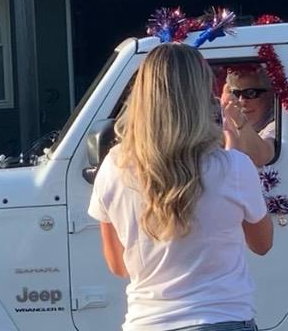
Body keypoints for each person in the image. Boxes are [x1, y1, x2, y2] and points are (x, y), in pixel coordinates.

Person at [91, 44, 273, 331]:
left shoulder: (114, 166)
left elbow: (118, 266)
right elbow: (262, 244)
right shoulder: (233, 167)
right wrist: (233, 145)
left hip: (147, 321)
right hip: (221, 317)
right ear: (202, 96)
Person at [220, 66, 278, 168]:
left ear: (269, 95)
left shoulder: (277, 125)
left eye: (250, 93)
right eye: (236, 94)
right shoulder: (227, 124)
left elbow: (262, 157)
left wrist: (240, 121)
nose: (242, 101)